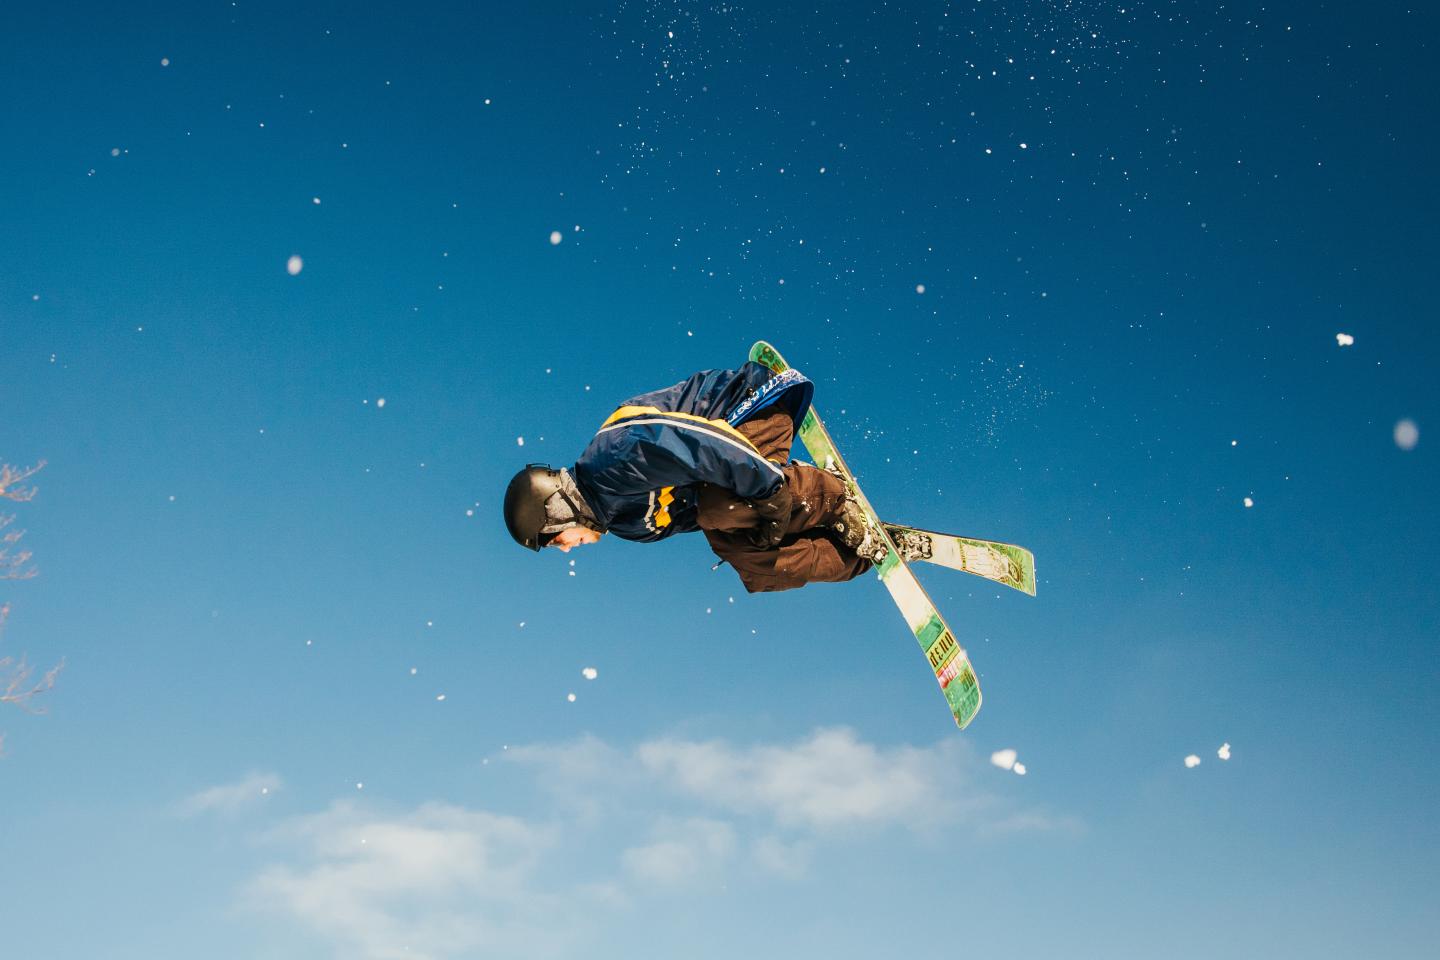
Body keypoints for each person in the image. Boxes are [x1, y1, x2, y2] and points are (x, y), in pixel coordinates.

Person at [503, 359, 888, 592]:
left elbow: (701, 443)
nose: (567, 548)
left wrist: (772, 492)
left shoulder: (613, 458)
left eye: (555, 540)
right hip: (733, 472)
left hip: (752, 408)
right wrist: (770, 531)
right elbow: (704, 516)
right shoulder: (626, 525)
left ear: (556, 510)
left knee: (720, 509)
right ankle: (858, 551)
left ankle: (832, 496)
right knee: (748, 562)